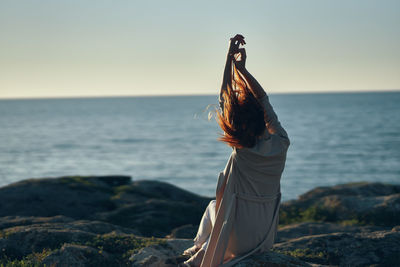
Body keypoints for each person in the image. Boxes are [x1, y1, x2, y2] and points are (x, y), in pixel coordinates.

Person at [181, 34, 290, 267]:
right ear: (264, 120)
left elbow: (225, 98)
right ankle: (200, 247)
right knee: (215, 207)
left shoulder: (242, 149)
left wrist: (230, 59)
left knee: (213, 206)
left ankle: (199, 246)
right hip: (263, 238)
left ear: (236, 125)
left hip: (233, 238)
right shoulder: (281, 143)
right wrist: (243, 69)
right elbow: (264, 100)